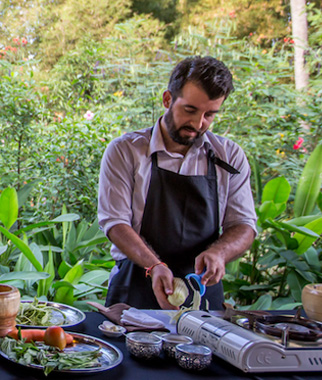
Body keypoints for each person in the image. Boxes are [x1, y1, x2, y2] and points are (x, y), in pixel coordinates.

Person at [98, 56, 257, 310]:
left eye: (209, 115)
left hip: (202, 292)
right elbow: (115, 222)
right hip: (135, 289)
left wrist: (219, 253)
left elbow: (244, 225)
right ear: (167, 99)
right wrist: (155, 265)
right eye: (190, 110)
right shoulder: (125, 151)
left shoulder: (230, 155)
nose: (198, 124)